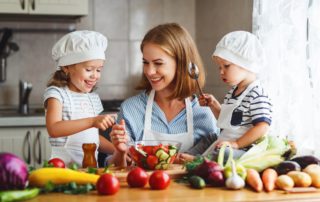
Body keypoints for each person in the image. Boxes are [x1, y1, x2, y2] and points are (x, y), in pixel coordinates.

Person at [106, 23, 219, 167]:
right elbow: (116, 171)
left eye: (158, 63)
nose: (149, 71)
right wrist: (120, 152)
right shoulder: (131, 109)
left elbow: (214, 166)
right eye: (146, 63)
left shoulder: (204, 113)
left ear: (181, 63)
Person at [44, 30, 115, 166]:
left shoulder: (91, 98)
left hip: (90, 168)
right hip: (63, 169)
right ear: (66, 68)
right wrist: (93, 121)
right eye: (89, 69)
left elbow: (94, 138)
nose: (95, 75)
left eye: (99, 70)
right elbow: (54, 129)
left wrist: (116, 150)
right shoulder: (57, 94)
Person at [199, 31, 273, 159]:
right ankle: (192, 157)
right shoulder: (233, 92)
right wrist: (214, 105)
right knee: (208, 138)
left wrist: (237, 144)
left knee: (225, 153)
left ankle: (199, 161)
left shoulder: (257, 94)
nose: (221, 72)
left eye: (226, 66)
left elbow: (262, 127)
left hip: (244, 148)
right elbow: (228, 121)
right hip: (227, 141)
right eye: (219, 67)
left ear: (245, 64)